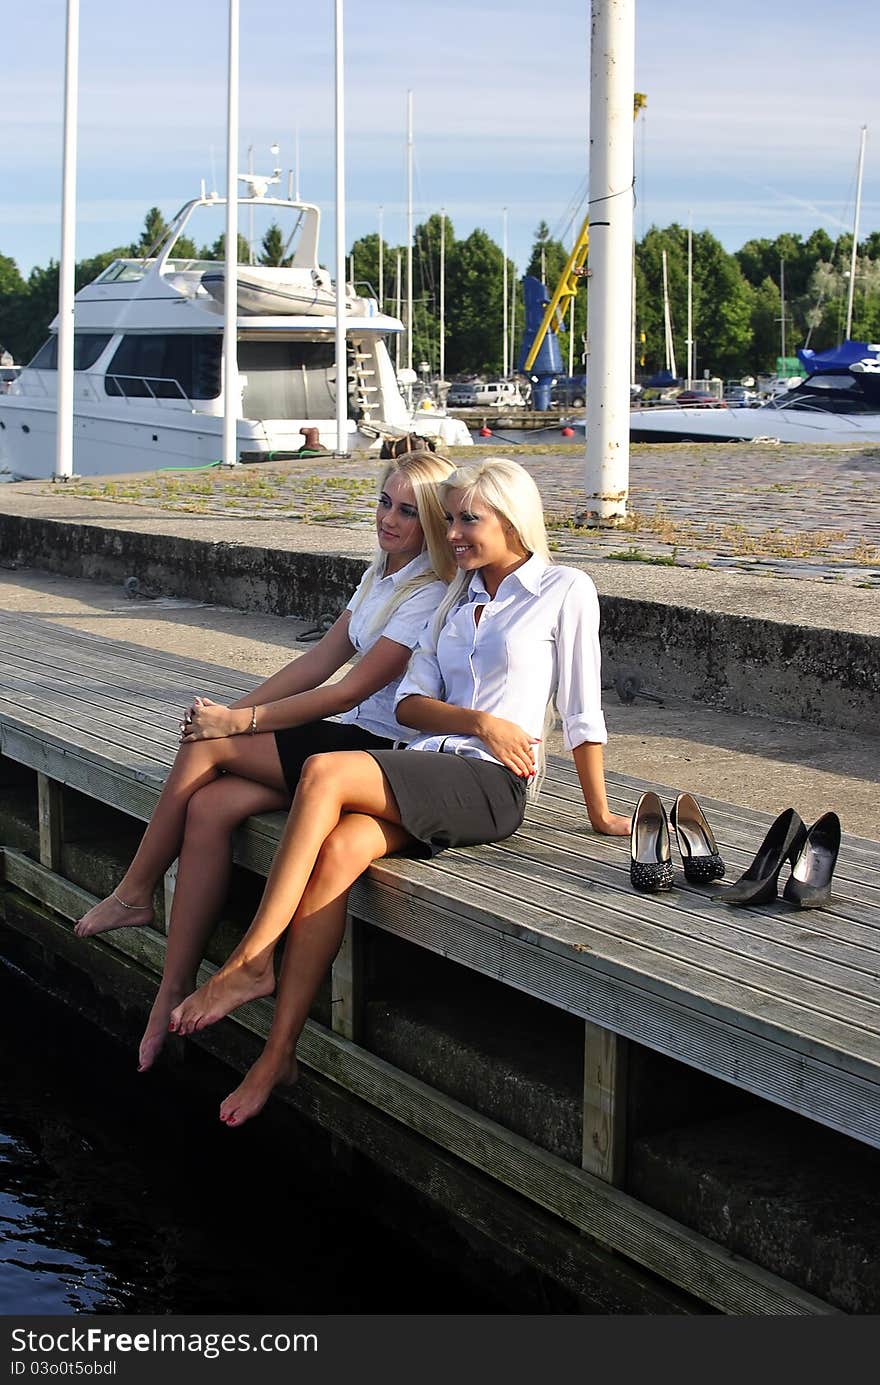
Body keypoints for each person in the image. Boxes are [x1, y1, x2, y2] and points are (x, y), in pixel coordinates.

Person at [168, 457, 631, 1126]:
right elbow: (411, 704)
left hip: (497, 786)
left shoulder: (564, 589)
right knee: (338, 848)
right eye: (451, 520)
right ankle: (278, 1054)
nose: (456, 534)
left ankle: (251, 959)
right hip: (429, 761)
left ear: (512, 520)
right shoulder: (455, 596)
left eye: (469, 519)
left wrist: (601, 812)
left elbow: (584, 713)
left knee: (326, 771)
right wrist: (477, 721)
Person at [74, 449, 457, 1071]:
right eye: (385, 501)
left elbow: (349, 689)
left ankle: (135, 888)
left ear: (436, 523)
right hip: (343, 732)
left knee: (210, 748)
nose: (389, 518)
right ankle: (169, 990)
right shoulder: (383, 573)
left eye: (408, 512)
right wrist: (226, 714)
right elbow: (319, 660)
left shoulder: (428, 591)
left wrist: (234, 727)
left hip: (382, 751)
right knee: (209, 803)